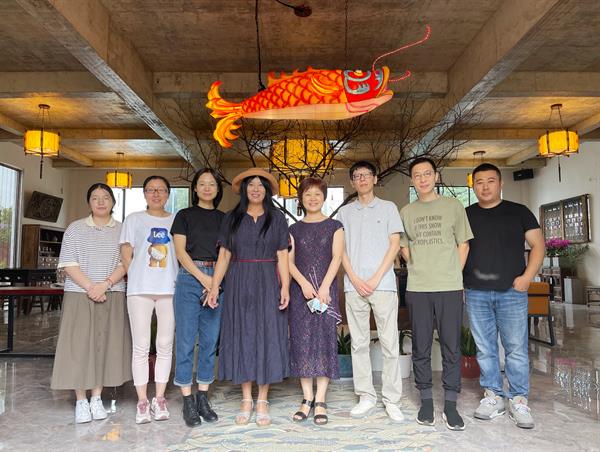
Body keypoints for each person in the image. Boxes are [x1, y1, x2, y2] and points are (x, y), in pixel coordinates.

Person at [206, 168, 290, 427]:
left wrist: (285, 287)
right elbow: (224, 255)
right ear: (244, 190)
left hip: (268, 280)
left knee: (267, 335)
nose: (255, 189)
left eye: (260, 185)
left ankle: (262, 399)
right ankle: (246, 399)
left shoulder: (277, 218)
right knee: (242, 334)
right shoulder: (232, 218)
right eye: (251, 185)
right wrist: (214, 287)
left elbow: (283, 255)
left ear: (267, 190)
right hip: (239, 281)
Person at [463, 163, 544, 429]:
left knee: (516, 349)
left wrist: (527, 277)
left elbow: (538, 245)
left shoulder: (519, 211)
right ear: (473, 186)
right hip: (476, 292)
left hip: (512, 292)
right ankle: (493, 396)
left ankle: (519, 399)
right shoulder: (466, 214)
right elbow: (458, 250)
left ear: (500, 183)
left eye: (490, 181)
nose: (485, 186)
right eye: (479, 182)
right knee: (485, 348)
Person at [399, 157, 473, 431]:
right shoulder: (406, 211)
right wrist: (417, 266)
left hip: (449, 287)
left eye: (427, 173)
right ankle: (427, 401)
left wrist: (453, 273)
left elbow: (463, 244)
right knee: (421, 346)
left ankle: (451, 404)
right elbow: (403, 246)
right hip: (418, 288)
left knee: (451, 346)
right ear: (412, 180)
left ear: (436, 176)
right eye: (417, 175)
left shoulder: (453, 206)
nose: (423, 179)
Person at [51, 183, 132, 424]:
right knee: (79, 346)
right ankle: (81, 400)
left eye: (105, 197)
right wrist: (91, 287)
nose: (100, 202)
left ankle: (96, 398)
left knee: (104, 345)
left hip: (112, 293)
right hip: (79, 294)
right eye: (95, 198)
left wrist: (104, 285)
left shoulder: (122, 230)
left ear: (113, 202)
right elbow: (68, 263)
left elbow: (125, 263)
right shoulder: (75, 229)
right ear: (89, 202)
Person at [337, 161, 405, 423]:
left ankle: (392, 400)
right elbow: (340, 250)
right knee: (359, 343)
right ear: (352, 182)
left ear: (375, 179)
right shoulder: (344, 212)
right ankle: (365, 396)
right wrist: (354, 278)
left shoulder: (388, 208)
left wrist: (375, 278)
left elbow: (394, 245)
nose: (362, 179)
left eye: (366, 175)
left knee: (389, 343)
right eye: (357, 176)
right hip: (354, 286)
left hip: (383, 285)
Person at [120, 175, 178, 424]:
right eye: (151, 190)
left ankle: (160, 398)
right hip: (140, 289)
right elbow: (126, 252)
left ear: (168, 194)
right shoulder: (134, 219)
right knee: (141, 346)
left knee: (165, 344)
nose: (156, 194)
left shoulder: (176, 220)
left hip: (170, 288)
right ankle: (143, 400)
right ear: (144, 193)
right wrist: (136, 275)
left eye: (161, 190)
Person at [171, 168, 225, 427]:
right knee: (185, 341)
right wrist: (205, 280)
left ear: (217, 188)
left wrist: (215, 283)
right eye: (202, 183)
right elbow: (180, 252)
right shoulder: (184, 215)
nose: (206, 187)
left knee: (209, 341)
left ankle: (203, 396)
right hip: (189, 278)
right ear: (195, 188)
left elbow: (226, 254)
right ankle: (187, 400)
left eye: (211, 184)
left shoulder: (224, 219)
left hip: (217, 278)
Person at [288, 178, 344, 425]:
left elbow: (336, 258)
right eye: (308, 194)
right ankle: (307, 397)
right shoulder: (293, 229)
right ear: (301, 198)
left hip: (325, 292)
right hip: (301, 292)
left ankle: (320, 399)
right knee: (302, 342)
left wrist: (324, 287)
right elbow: (288, 262)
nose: (312, 198)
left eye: (317, 194)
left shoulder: (335, 226)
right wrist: (303, 284)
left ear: (324, 197)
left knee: (324, 342)